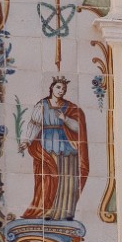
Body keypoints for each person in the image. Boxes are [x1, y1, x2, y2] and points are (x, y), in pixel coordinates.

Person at [22, 76, 88, 222]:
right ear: (52, 88)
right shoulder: (42, 105)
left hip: (66, 147)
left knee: (66, 179)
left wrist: (65, 119)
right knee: (48, 178)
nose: (61, 90)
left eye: (64, 88)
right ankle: (46, 209)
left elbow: (78, 128)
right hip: (47, 146)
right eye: (58, 87)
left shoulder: (70, 107)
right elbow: (34, 124)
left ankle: (63, 213)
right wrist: (27, 140)